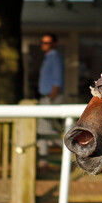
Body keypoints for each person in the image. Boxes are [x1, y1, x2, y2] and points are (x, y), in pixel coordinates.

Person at [37, 33, 64, 172]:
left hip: (50, 98)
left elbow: (57, 81)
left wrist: (51, 98)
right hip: (46, 97)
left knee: (45, 129)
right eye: (43, 42)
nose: (44, 45)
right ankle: (43, 162)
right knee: (44, 129)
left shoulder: (54, 58)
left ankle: (69, 150)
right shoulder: (48, 58)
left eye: (47, 42)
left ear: (54, 44)